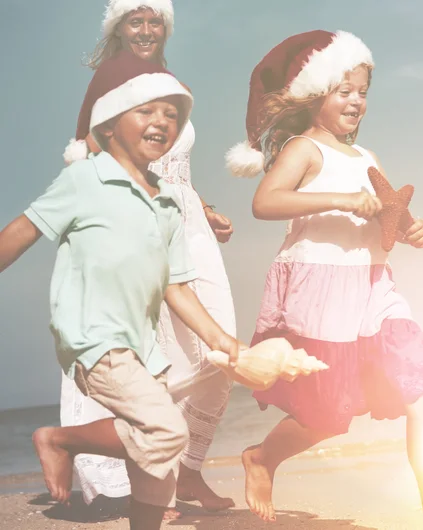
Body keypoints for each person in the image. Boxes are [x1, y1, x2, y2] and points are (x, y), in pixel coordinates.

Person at [225, 30, 423, 529]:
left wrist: (414, 229)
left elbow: (387, 218)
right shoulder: (304, 148)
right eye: (344, 90)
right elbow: (264, 202)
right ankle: (261, 458)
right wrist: (342, 200)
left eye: (362, 92)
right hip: (321, 289)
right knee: (327, 414)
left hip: (375, 287)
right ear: (315, 96)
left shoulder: (369, 160)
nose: (356, 100)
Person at [0, 50, 240, 530]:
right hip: (93, 336)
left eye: (172, 115)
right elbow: (20, 233)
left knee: (154, 466)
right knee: (166, 430)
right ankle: (61, 440)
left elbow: (177, 285)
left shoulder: (168, 203)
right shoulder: (84, 179)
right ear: (108, 125)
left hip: (144, 347)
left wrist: (221, 340)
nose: (161, 122)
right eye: (146, 111)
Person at [61, 0, 236, 515]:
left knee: (217, 350)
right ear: (118, 27)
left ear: (166, 26)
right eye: (133, 20)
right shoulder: (114, 76)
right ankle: (147, 472)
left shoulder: (167, 78)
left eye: (153, 19)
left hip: (191, 229)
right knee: (157, 355)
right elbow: (87, 153)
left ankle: (186, 470)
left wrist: (204, 208)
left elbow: (174, 164)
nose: (144, 29)